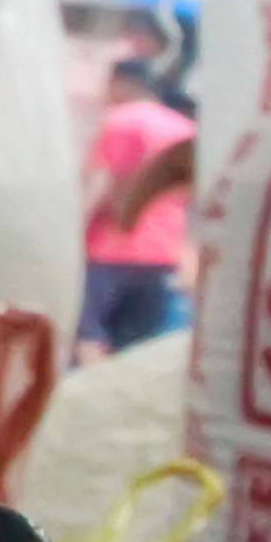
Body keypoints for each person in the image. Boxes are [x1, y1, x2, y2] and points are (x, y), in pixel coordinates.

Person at [82, 55, 197, 357]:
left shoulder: (121, 120)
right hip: (163, 253)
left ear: (120, 83)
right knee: (137, 348)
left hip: (110, 250)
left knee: (88, 338)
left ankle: (99, 389)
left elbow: (103, 184)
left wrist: (74, 232)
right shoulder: (185, 128)